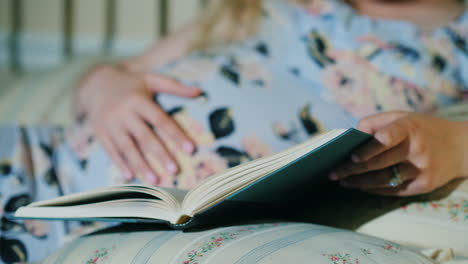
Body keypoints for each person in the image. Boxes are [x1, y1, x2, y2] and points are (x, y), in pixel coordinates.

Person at [1, 0, 467, 262]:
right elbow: (115, 73)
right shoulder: (264, 7)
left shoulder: (455, 38)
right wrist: (104, 86)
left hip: (113, 223)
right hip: (36, 163)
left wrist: (455, 144)